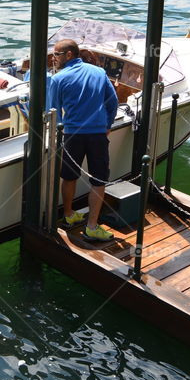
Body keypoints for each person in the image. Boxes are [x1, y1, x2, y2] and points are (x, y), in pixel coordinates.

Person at [50, 39, 119, 241]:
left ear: (69, 55)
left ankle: (69, 215)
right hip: (97, 134)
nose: (53, 58)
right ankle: (91, 226)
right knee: (98, 179)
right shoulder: (99, 72)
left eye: (56, 54)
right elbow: (112, 102)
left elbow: (54, 111)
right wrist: (107, 126)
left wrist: (61, 131)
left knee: (69, 176)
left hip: (72, 134)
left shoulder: (58, 79)